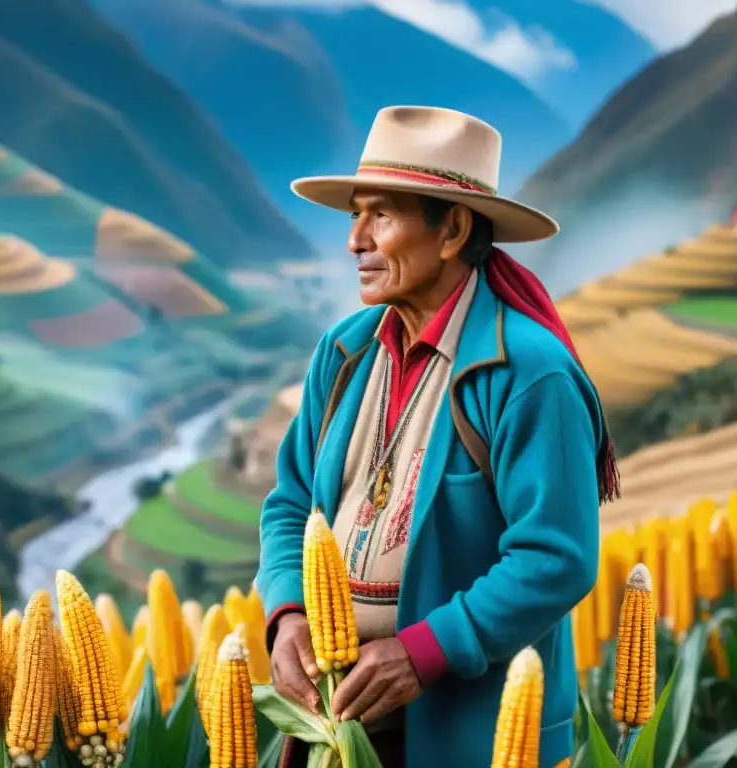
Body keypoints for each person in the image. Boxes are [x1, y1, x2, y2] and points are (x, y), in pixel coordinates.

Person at [255, 106, 618, 768]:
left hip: (468, 734)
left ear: (451, 229)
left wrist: (422, 653)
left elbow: (555, 557)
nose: (354, 239)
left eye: (381, 216)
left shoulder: (529, 375)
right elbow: (289, 505)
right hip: (336, 724)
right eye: (354, 214)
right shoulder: (342, 355)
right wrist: (287, 615)